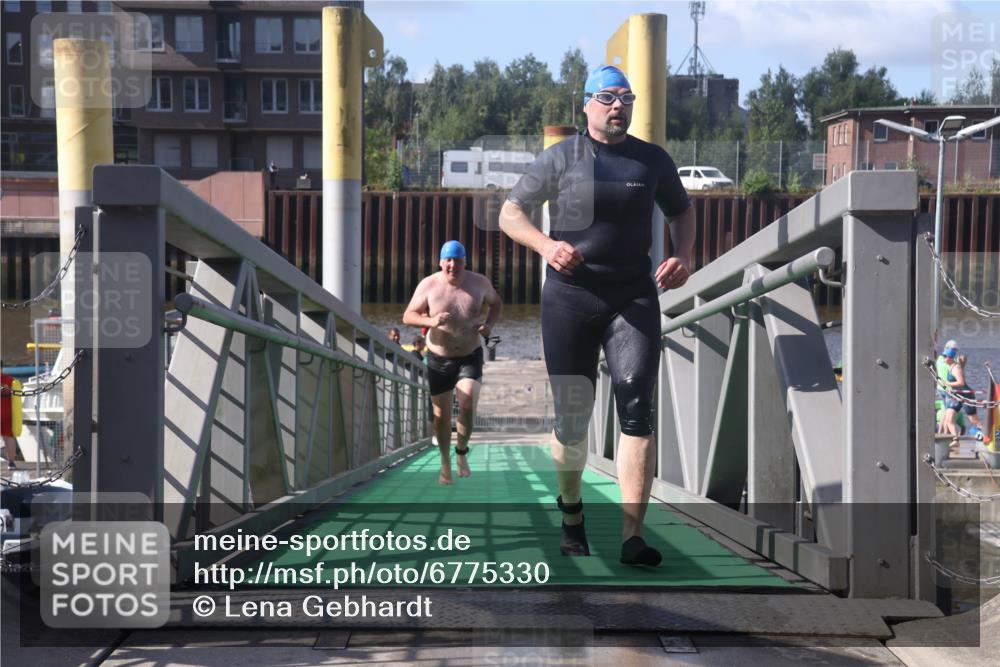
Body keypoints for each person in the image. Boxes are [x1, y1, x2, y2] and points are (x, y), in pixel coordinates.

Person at [499, 65, 695, 566]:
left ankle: (633, 536)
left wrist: (684, 254)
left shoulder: (651, 160)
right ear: (586, 104)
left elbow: (681, 211)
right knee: (572, 419)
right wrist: (546, 246)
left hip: (632, 298)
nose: (618, 106)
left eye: (626, 98)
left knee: (636, 406)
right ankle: (571, 514)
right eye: (607, 97)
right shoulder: (561, 157)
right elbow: (510, 213)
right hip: (570, 298)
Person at [403, 240, 503, 485]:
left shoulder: (479, 283)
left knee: (467, 404)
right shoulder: (429, 285)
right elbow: (408, 316)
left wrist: (489, 325)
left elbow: (496, 303)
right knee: (440, 415)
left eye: (457, 260)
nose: (452, 265)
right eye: (448, 260)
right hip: (439, 358)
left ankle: (461, 452)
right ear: (441, 262)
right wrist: (432, 321)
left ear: (464, 262)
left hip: (470, 355)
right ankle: (445, 463)